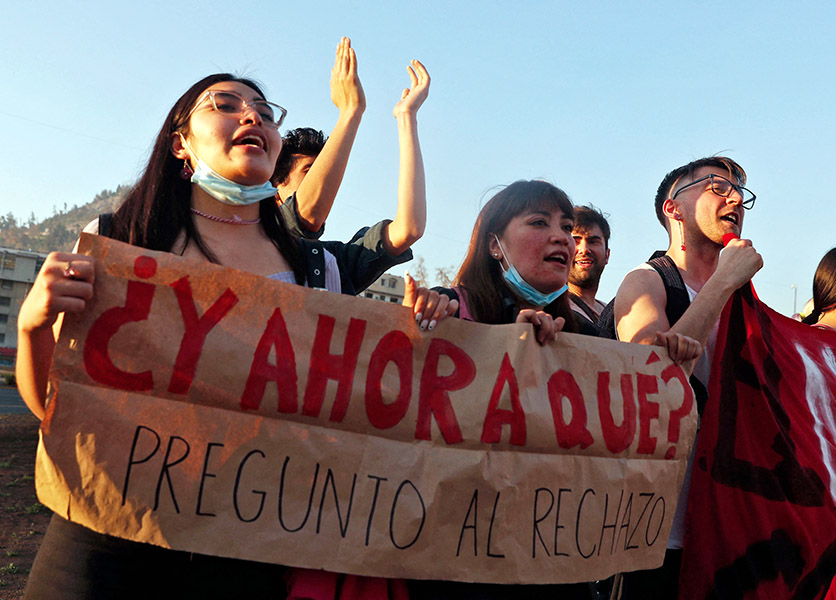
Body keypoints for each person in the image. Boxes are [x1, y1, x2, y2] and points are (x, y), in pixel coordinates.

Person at [17, 71, 414, 599]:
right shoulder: (120, 239)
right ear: (180, 143)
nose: (252, 116)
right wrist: (34, 326)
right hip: (106, 539)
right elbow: (56, 406)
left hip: (248, 550)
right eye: (224, 105)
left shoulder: (316, 272)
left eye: (265, 112)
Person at [400, 180, 700, 600]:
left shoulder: (583, 337)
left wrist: (671, 377)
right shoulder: (452, 311)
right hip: (457, 562)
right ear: (494, 245)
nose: (562, 237)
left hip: (553, 564)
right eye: (540, 222)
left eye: (565, 225)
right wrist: (436, 324)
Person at [606, 156, 763, 597]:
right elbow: (653, 382)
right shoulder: (646, 281)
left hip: (716, 529)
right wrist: (722, 283)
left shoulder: (741, 301)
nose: (734, 199)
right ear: (673, 208)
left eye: (740, 193)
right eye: (717, 186)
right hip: (650, 533)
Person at [273, 37, 428, 259]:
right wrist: (350, 111)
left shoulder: (333, 263)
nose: (325, 176)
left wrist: (407, 117)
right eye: (309, 171)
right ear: (276, 192)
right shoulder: (251, 244)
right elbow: (306, 214)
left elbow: (408, 229)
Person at [567, 205, 611, 332]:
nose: (584, 250)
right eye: (576, 241)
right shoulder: (551, 310)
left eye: (593, 241)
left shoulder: (614, 313)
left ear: (607, 255)